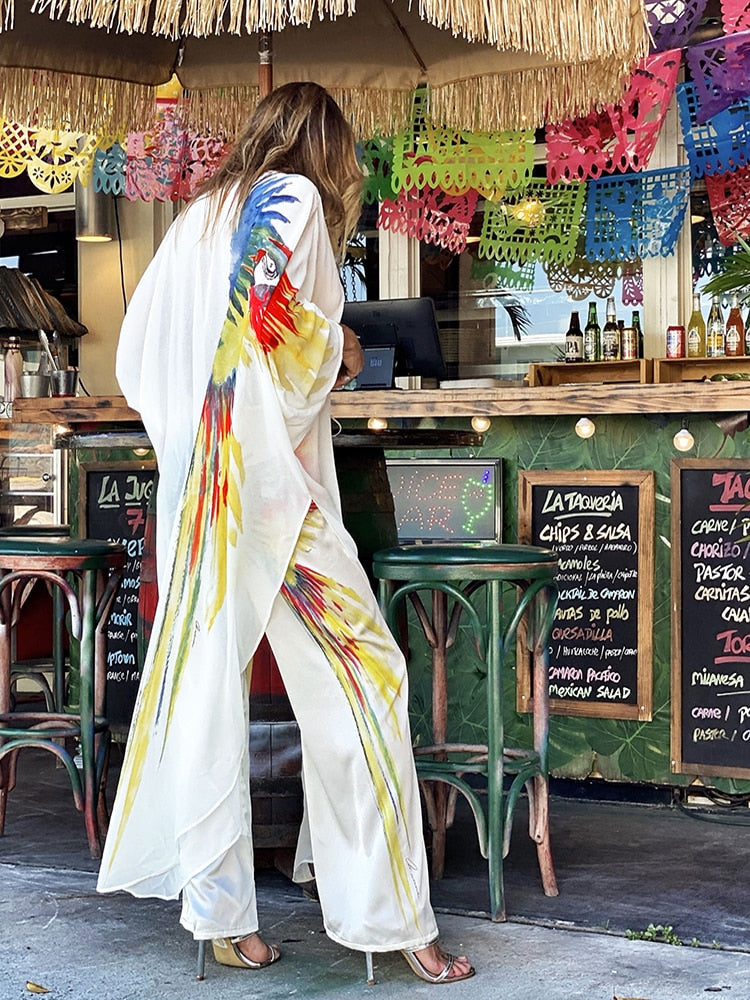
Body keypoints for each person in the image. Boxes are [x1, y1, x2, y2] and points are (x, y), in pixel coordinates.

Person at [97, 81, 474, 985]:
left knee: (203, 696)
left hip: (200, 499)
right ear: (324, 144)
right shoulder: (293, 197)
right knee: (368, 678)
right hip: (272, 500)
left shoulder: (194, 220)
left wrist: (193, 441)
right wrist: (340, 350)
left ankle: (222, 916)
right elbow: (270, 332)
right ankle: (393, 923)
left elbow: (138, 358)